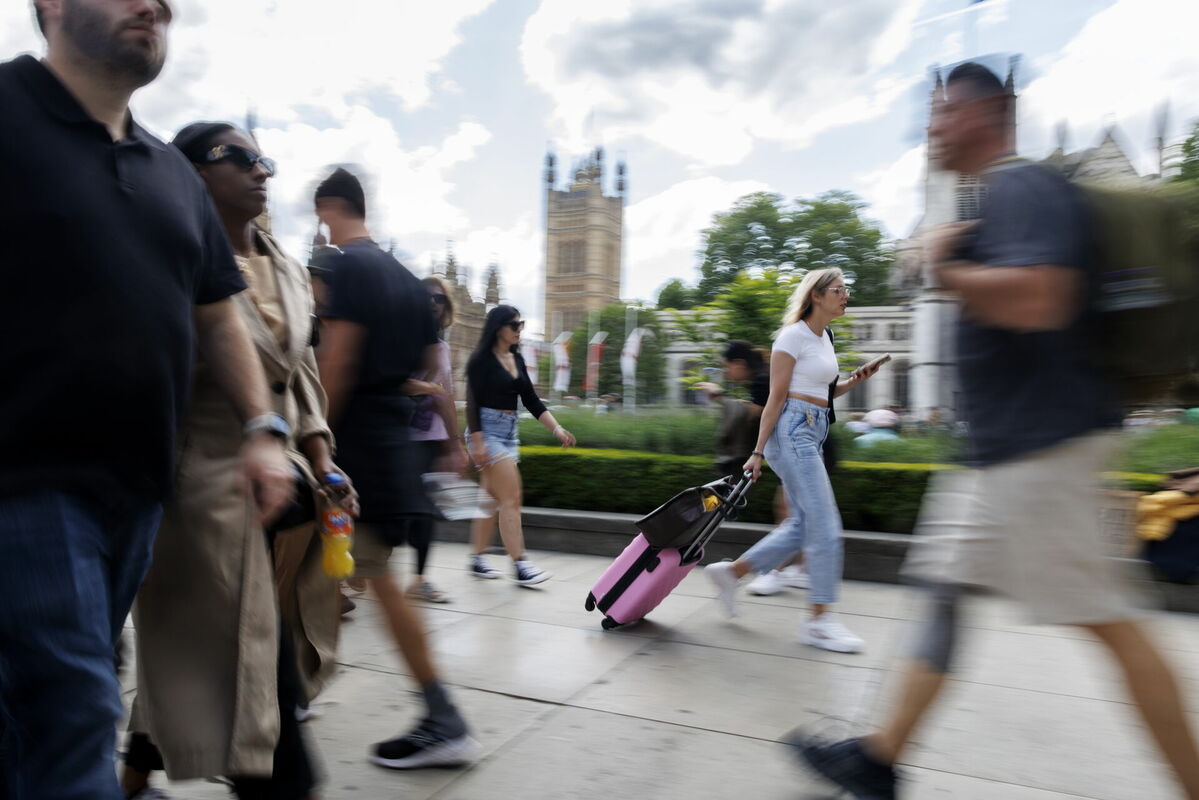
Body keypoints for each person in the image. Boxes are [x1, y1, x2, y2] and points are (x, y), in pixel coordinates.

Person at [793, 62, 1199, 800]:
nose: (931, 127)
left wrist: (946, 267)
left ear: (985, 113)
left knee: (1112, 621)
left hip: (1044, 451)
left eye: (942, 111)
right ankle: (880, 759)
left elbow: (1041, 299)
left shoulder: (1022, 187)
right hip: (995, 457)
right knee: (942, 592)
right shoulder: (997, 203)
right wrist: (948, 254)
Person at [0, 4, 295, 799]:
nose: (157, 4)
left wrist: (263, 427)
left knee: (37, 708)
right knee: (76, 710)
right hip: (25, 483)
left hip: (136, 492)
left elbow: (216, 313)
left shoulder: (169, 171)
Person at [120, 122, 354, 800]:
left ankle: (132, 776)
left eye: (265, 159)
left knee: (204, 651)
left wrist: (323, 460)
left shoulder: (283, 262)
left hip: (284, 489)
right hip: (204, 486)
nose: (262, 171)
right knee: (256, 682)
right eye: (239, 158)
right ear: (191, 174)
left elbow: (301, 370)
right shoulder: (171, 257)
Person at [313, 167, 477, 769]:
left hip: (357, 449)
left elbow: (337, 366)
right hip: (394, 447)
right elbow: (424, 376)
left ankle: (442, 716)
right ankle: (296, 689)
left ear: (331, 207)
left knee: (373, 578)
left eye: (323, 215)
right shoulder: (411, 286)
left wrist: (315, 440)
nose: (322, 229)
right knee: (328, 574)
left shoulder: (350, 269)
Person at [704, 269, 885, 652]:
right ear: (816, 296)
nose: (845, 296)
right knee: (826, 526)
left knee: (803, 523)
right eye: (838, 290)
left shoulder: (824, 338)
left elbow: (824, 392)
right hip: (792, 432)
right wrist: (757, 451)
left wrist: (855, 380)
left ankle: (732, 572)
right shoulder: (791, 336)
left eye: (846, 290)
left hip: (813, 428)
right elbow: (776, 398)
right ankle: (819, 622)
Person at [466, 305, 576, 584]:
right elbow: (472, 402)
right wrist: (477, 440)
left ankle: (477, 559)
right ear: (499, 327)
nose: (519, 330)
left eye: (521, 324)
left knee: (490, 500)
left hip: (509, 433)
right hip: (486, 432)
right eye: (515, 325)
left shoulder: (517, 359)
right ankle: (521, 564)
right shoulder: (481, 360)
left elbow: (532, 401)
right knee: (511, 497)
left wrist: (557, 429)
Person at [697, 341, 809, 596]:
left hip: (802, 449)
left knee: (789, 512)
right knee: (793, 512)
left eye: (726, 367)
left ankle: (776, 572)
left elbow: (752, 415)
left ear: (739, 364)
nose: (726, 373)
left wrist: (718, 396)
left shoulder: (762, 380)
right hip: (801, 447)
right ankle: (798, 569)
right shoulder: (764, 377)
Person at [402, 275, 466, 603]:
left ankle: (419, 578)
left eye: (439, 299)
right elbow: (389, 381)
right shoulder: (399, 336)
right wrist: (427, 387)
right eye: (426, 297)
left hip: (430, 435)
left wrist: (455, 444)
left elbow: (448, 394)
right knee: (406, 510)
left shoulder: (442, 346)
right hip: (399, 433)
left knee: (424, 511)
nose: (432, 304)